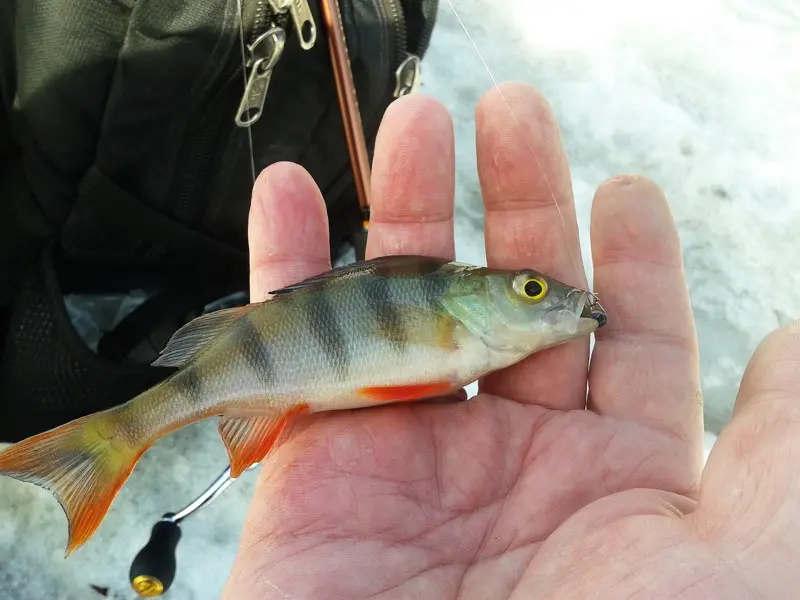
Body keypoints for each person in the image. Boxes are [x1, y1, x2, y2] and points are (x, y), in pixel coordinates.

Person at [222, 81, 799, 599]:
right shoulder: (452, 319)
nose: (549, 296)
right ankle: (137, 425)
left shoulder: (482, 339)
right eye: (529, 288)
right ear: (469, 300)